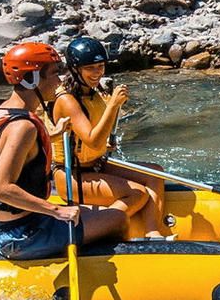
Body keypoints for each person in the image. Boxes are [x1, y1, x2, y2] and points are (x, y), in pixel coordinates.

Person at [0, 41, 127, 260]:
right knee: (119, 219)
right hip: (23, 235)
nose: (58, 82)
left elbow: (5, 146)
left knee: (103, 214)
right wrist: (57, 211)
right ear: (32, 79)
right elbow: (0, 189)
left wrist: (51, 135)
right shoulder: (23, 127)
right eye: (54, 74)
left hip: (12, 226)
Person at [49, 36, 170, 239]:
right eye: (91, 68)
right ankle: (99, 227)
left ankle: (152, 232)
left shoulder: (93, 93)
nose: (98, 73)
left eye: (101, 66)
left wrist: (106, 143)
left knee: (155, 173)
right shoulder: (67, 100)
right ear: (76, 69)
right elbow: (92, 140)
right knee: (137, 193)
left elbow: (97, 139)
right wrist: (113, 105)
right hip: (72, 176)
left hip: (95, 164)